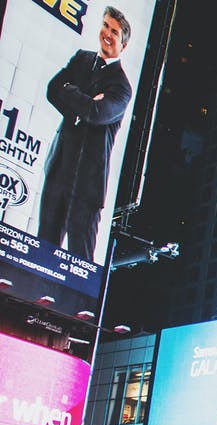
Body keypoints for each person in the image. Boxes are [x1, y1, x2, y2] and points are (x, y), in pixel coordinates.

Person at [38, 5, 134, 260]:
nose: (107, 33)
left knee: (79, 261)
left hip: (87, 189)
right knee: (41, 252)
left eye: (114, 31)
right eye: (105, 26)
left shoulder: (122, 87)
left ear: (123, 45)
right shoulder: (81, 58)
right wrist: (83, 106)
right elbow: (52, 89)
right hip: (58, 171)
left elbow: (97, 112)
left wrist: (73, 94)